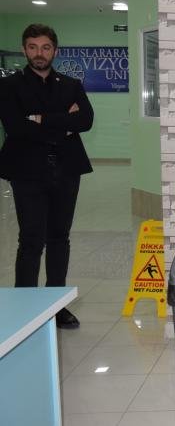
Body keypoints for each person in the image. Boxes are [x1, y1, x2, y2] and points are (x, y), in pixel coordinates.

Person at [0, 24, 94, 329]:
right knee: (31, 240)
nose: (39, 53)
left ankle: (57, 307)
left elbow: (86, 120)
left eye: (45, 47)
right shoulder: (9, 86)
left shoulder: (71, 84)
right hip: (26, 171)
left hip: (66, 170)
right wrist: (63, 123)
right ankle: (25, 308)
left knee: (59, 238)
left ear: (55, 51)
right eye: (32, 47)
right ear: (24, 49)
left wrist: (41, 119)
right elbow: (16, 127)